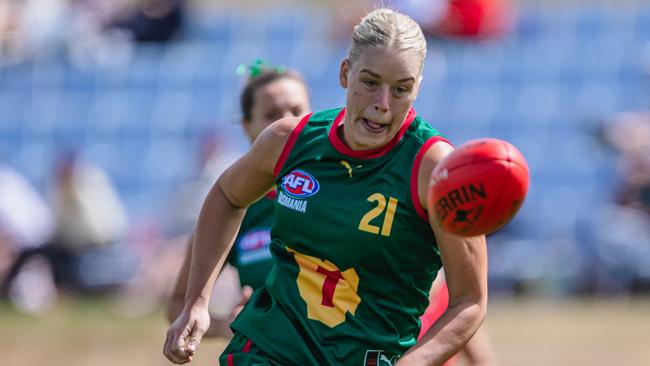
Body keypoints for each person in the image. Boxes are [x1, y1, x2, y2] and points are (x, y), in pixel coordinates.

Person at [164, 8, 487, 366]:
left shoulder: (436, 169)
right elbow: (227, 195)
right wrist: (197, 302)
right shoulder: (290, 140)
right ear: (345, 73)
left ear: (418, 88)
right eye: (370, 82)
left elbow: (469, 301)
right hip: (271, 348)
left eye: (401, 89)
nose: (382, 104)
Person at [166, 63, 312, 338]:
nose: (286, 123)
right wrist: (231, 327)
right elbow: (177, 305)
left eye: (296, 111)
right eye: (271, 115)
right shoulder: (229, 204)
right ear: (247, 126)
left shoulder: (343, 189)